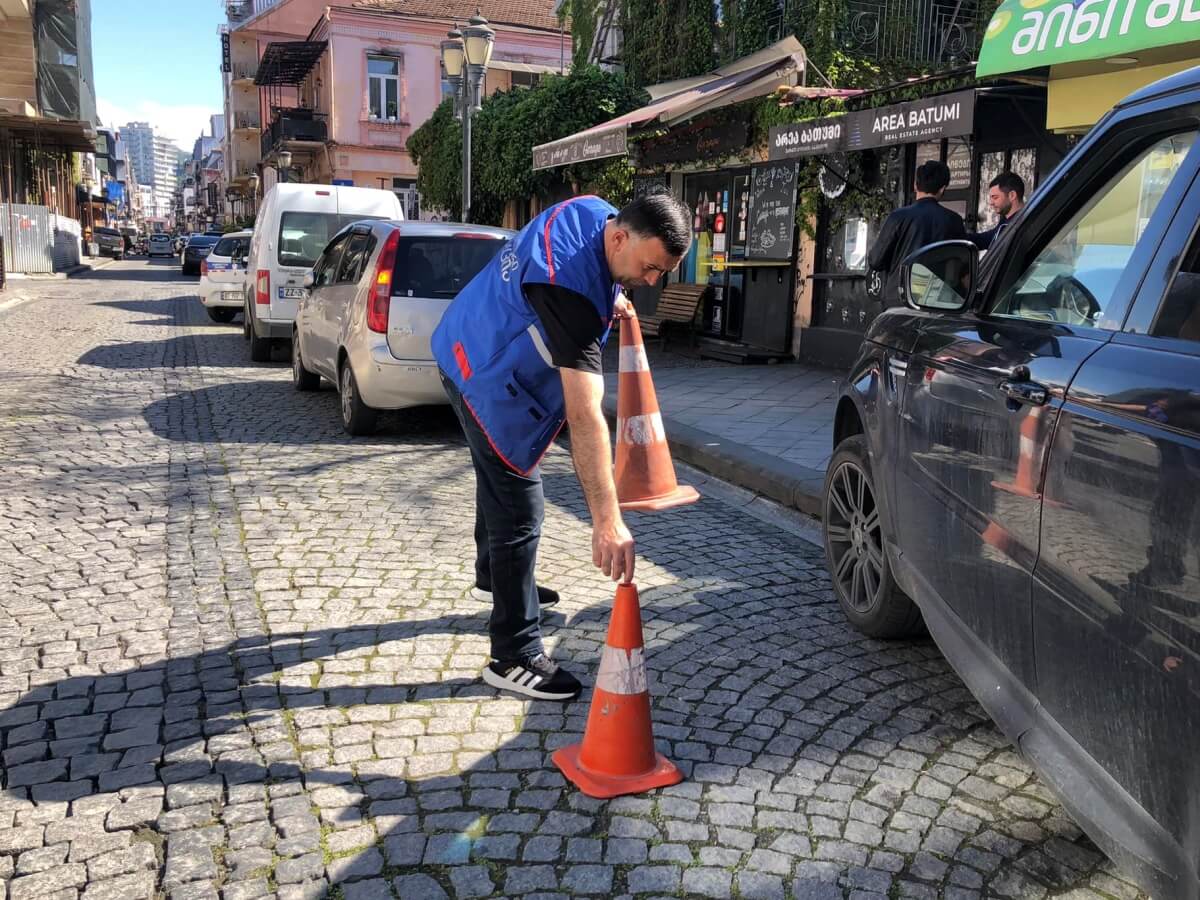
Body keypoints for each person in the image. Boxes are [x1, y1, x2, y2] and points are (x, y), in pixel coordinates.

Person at [431, 191, 692, 702]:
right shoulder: (570, 292)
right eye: (649, 267)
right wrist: (607, 520)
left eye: (660, 272)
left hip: (460, 339)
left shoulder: (591, 211)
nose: (651, 282)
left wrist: (615, 285)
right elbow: (585, 414)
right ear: (619, 238)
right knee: (520, 509)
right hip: (484, 377)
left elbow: (574, 266)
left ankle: (495, 577)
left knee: (496, 487)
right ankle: (514, 652)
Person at [867, 160, 966, 307]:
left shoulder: (898, 217)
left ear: (915, 185)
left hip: (900, 300)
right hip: (938, 302)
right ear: (942, 189)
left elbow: (876, 260)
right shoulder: (954, 220)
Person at [971, 172, 1026, 251]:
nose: (991, 203)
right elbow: (987, 238)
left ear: (1012, 195)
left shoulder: (1021, 224)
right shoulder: (1006, 221)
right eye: (990, 198)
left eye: (995, 197)